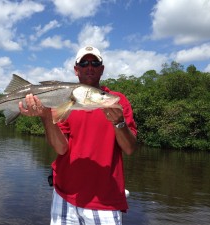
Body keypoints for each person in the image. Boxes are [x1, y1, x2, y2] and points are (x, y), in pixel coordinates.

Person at [19, 46, 137, 225]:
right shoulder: (64, 104)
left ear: (102, 69)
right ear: (76, 69)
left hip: (104, 201)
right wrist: (45, 116)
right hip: (64, 195)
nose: (89, 67)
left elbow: (129, 148)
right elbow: (61, 148)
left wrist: (119, 123)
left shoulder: (118, 101)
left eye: (95, 63)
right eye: (84, 63)